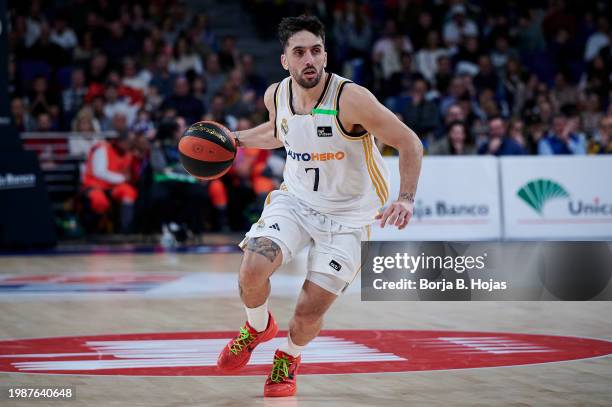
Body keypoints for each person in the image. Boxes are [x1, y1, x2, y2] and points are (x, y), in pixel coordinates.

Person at [215, 15, 423, 397]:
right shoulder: (275, 95)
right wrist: (236, 139)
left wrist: (406, 199)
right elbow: (280, 130)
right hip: (295, 202)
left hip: (349, 217)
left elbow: (410, 142)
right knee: (251, 269)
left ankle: (289, 355)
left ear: (325, 55)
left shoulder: (351, 98)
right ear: (285, 60)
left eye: (315, 51)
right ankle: (257, 326)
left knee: (310, 310)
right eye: (299, 52)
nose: (308, 59)